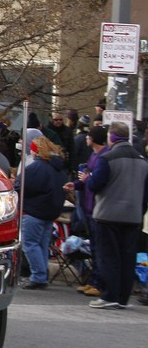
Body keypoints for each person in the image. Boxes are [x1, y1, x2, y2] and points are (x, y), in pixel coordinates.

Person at [84, 122, 148, 310]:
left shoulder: (108, 158)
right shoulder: (142, 160)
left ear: (112, 137)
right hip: (133, 216)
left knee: (109, 256)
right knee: (127, 257)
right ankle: (122, 296)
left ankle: (109, 295)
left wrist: (88, 179)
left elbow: (96, 184)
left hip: (108, 214)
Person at [14, 136, 68, 289]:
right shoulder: (58, 168)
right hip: (50, 212)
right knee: (42, 245)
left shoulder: (36, 168)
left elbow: (19, 186)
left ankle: (38, 276)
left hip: (34, 211)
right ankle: (41, 274)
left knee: (30, 244)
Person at [65, 125, 108, 297]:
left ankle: (98, 282)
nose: (86, 139)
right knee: (94, 247)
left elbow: (97, 179)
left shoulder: (103, 156)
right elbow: (87, 176)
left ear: (93, 138)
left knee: (98, 248)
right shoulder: (94, 155)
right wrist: (75, 184)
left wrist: (87, 179)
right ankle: (93, 280)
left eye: (89, 136)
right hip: (88, 205)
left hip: (97, 206)